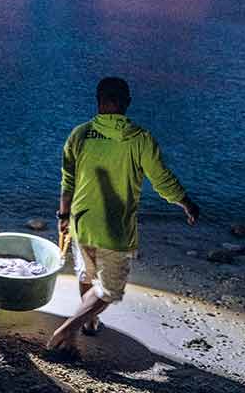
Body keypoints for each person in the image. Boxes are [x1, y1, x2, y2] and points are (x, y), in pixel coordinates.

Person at [48, 77, 200, 352]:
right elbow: (161, 178)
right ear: (125, 102)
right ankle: (67, 328)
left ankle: (88, 325)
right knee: (109, 291)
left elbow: (67, 180)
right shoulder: (139, 138)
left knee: (87, 277)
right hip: (114, 229)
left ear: (99, 101)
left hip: (81, 222)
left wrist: (62, 216)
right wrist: (185, 202)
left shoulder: (79, 134)